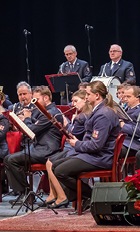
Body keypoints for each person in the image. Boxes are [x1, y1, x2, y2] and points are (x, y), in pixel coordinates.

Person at [52, 81, 122, 209]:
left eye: (88, 94)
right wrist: (77, 141)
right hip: (93, 154)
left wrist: (77, 144)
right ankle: (83, 199)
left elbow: (96, 145)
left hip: (100, 157)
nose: (85, 97)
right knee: (55, 165)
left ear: (97, 96)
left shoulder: (103, 115)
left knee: (60, 170)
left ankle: (90, 196)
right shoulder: (99, 110)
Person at [4, 85, 64, 196]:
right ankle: (25, 192)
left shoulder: (50, 113)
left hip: (46, 150)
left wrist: (27, 118)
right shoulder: (47, 111)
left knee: (10, 160)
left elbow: (30, 131)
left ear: (46, 98)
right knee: (10, 158)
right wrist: (29, 119)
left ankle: (26, 193)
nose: (34, 103)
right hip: (40, 148)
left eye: (37, 100)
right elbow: (38, 125)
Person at [42, 89, 91, 208]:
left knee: (53, 164)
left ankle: (65, 196)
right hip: (76, 148)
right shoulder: (81, 115)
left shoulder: (83, 116)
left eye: (75, 101)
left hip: (79, 150)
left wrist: (67, 125)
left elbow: (75, 134)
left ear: (85, 100)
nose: (73, 104)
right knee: (50, 162)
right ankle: (56, 195)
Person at [118, 85, 140, 160]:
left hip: (133, 144)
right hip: (122, 140)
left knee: (111, 151)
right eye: (125, 96)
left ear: (137, 97)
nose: (125, 99)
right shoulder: (126, 109)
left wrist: (123, 126)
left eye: (128, 97)